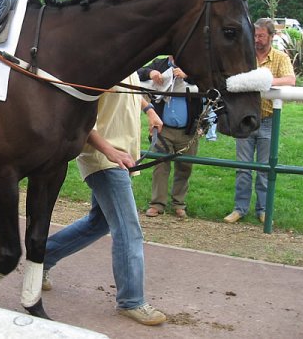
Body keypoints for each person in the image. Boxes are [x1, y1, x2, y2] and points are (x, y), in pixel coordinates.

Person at [42, 72, 167, 326]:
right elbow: (77, 118)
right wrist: (110, 151)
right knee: (128, 228)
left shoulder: (129, 60)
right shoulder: (102, 61)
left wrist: (150, 109)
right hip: (104, 159)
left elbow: (132, 90)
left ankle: (42, 256)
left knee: (99, 222)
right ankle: (131, 300)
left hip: (118, 157)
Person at [224, 18, 296, 224]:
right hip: (245, 118)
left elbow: (290, 80)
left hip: (268, 119)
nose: (256, 39)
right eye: (254, 35)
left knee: (265, 168)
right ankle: (240, 208)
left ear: (271, 36)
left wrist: (264, 81)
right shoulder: (245, 56)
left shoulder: (280, 58)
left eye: (261, 35)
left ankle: (263, 209)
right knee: (242, 167)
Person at [138, 56, 202, 219]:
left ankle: (179, 204)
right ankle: (157, 204)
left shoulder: (194, 62)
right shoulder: (159, 63)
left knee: (185, 167)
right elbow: (138, 72)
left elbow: (207, 80)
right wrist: (151, 72)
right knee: (160, 165)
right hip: (163, 128)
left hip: (188, 130)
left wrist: (188, 76)